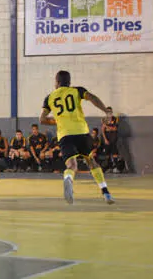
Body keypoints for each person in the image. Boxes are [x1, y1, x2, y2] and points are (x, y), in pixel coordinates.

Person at [40, 70, 114, 205]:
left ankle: (68, 178)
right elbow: (92, 98)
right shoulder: (77, 91)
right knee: (91, 161)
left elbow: (42, 119)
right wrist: (106, 111)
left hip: (65, 134)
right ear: (69, 82)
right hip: (82, 132)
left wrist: (58, 120)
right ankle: (105, 192)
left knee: (71, 164)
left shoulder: (49, 97)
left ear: (56, 82)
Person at [101, 107, 121, 172]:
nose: (109, 112)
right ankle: (108, 167)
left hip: (113, 138)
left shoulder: (115, 119)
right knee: (107, 154)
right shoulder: (104, 119)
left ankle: (116, 167)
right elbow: (103, 130)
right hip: (107, 138)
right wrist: (105, 139)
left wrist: (106, 126)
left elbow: (115, 128)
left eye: (110, 111)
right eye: (108, 111)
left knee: (115, 153)